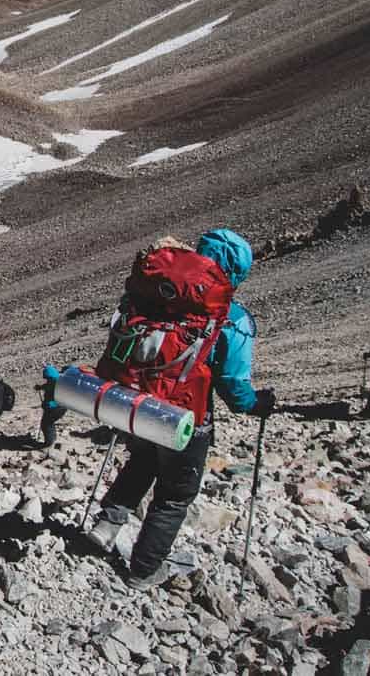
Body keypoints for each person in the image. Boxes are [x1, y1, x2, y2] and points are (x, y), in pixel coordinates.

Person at [89, 228, 275, 588]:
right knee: (174, 495)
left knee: (141, 462)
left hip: (135, 403)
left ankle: (106, 525)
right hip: (184, 419)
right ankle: (144, 569)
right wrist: (259, 403)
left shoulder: (155, 296)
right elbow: (235, 390)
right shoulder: (230, 317)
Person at [37, 365, 68, 449]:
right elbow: (48, 386)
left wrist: (50, 404)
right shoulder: (54, 380)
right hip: (54, 408)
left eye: (47, 378)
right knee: (49, 423)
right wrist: (40, 387)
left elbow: (63, 400)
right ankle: (52, 439)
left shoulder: (59, 384)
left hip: (57, 408)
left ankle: (49, 443)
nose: (47, 380)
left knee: (46, 424)